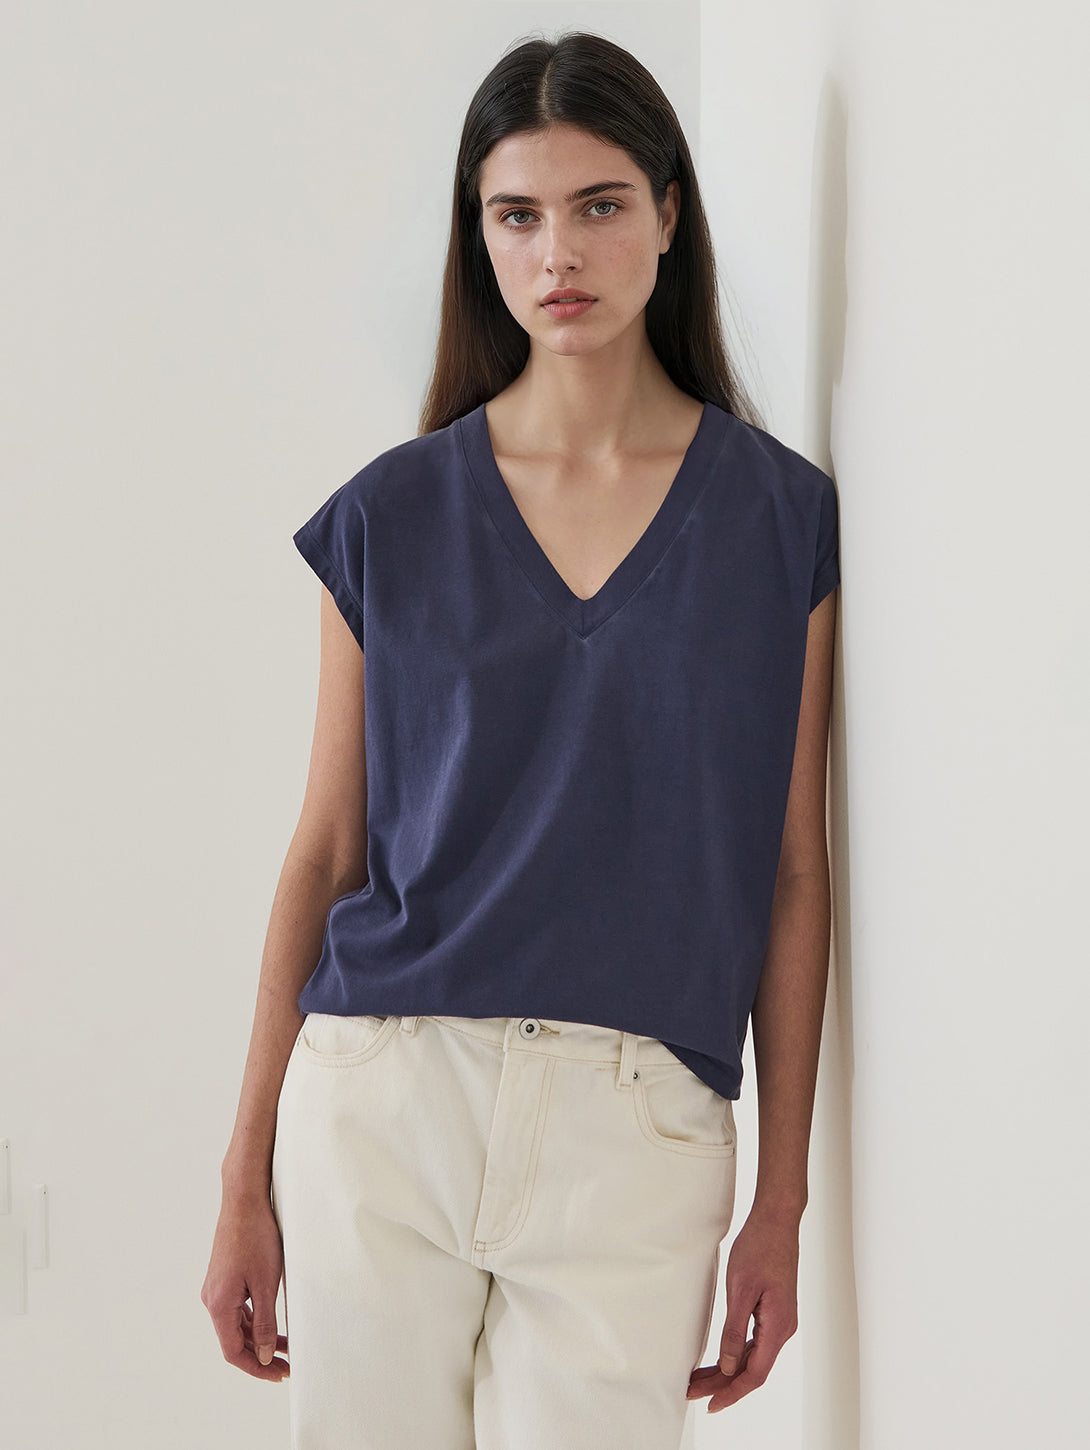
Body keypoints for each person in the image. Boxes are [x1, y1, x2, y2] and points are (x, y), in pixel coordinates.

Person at [201, 29, 839, 1450]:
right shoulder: (389, 514)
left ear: (668, 214)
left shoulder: (777, 520)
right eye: (517, 214)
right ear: (478, 235)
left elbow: (793, 872)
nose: (559, 253)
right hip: (385, 1099)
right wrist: (243, 1173)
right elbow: (325, 849)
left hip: (640, 1129)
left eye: (599, 204)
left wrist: (781, 1202)